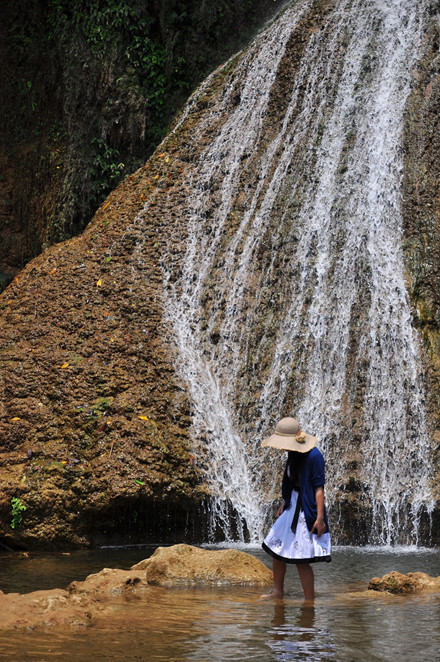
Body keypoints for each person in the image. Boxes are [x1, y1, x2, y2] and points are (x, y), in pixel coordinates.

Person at [260, 417, 331, 601]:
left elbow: (318, 489)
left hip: (307, 508)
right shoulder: (293, 453)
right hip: (292, 504)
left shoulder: (315, 456)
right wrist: (285, 501)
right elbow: (292, 481)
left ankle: (309, 601)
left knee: (301, 559)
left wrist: (320, 518)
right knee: (276, 548)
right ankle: (277, 592)